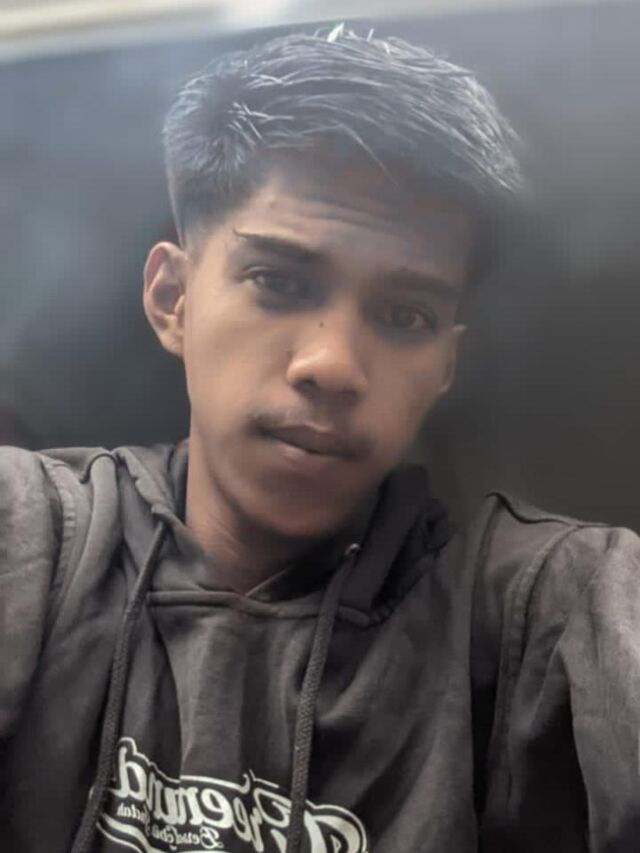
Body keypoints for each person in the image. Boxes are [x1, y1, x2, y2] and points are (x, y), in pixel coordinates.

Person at [1, 25, 639, 853]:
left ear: (445, 363)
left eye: (405, 315)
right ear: (172, 300)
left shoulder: (539, 605)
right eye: (277, 281)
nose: (333, 365)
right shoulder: (36, 537)